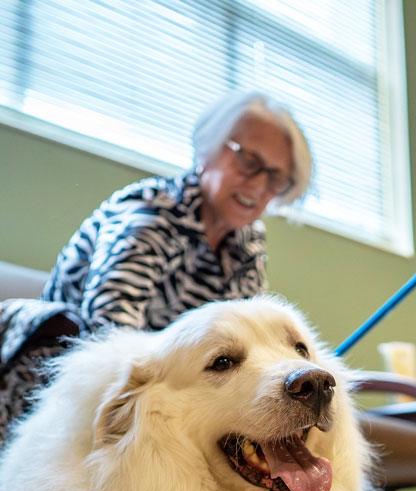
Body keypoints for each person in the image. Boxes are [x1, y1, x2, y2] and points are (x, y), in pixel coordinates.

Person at [0, 91, 312, 445]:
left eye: (275, 177)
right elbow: (109, 342)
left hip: (170, 387)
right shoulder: (150, 214)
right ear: (209, 147)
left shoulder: (247, 240)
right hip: (57, 386)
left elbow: (250, 337)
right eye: (249, 161)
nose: (258, 186)